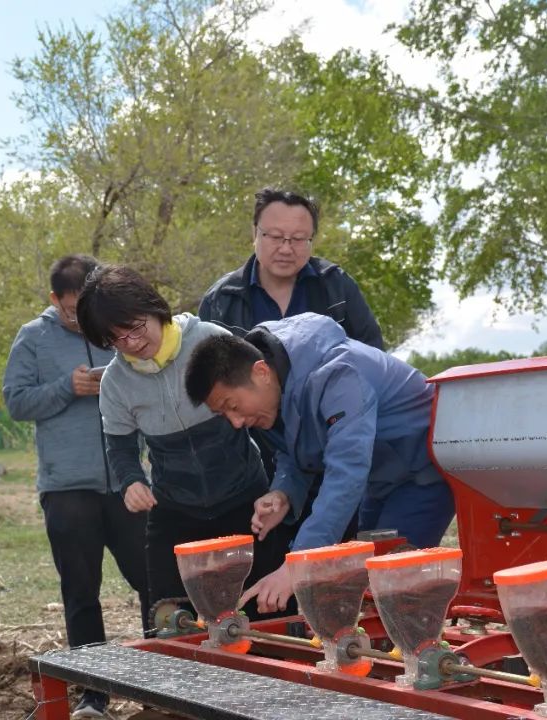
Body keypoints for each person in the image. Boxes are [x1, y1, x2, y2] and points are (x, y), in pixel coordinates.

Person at [184, 312, 456, 615]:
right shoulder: (280, 383)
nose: (236, 422)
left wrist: (298, 565)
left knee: (392, 585)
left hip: (421, 474)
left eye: (233, 407)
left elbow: (347, 469)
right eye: (225, 415)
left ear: (261, 372)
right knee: (364, 579)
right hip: (380, 481)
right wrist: (283, 493)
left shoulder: (338, 373)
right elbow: (293, 450)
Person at [76, 264, 287, 620]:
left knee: (267, 609)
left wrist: (278, 488)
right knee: (166, 617)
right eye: (116, 339)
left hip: (244, 497)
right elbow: (120, 446)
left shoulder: (210, 340)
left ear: (153, 307)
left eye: (135, 327)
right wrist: (130, 481)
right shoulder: (115, 383)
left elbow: (264, 416)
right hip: (176, 507)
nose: (132, 343)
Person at [3, 254, 150, 720]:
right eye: (71, 310)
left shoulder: (120, 329)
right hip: (67, 488)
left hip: (128, 483)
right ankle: (93, 694)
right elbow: (16, 402)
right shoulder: (32, 338)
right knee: (81, 593)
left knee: (154, 581)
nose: (80, 318)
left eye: (87, 307)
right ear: (54, 301)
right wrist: (67, 388)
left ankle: (160, 682)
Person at [198, 187, 383, 348]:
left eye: (298, 239)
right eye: (276, 236)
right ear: (255, 233)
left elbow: (373, 358)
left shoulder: (337, 286)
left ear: (312, 239)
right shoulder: (220, 300)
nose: (286, 249)